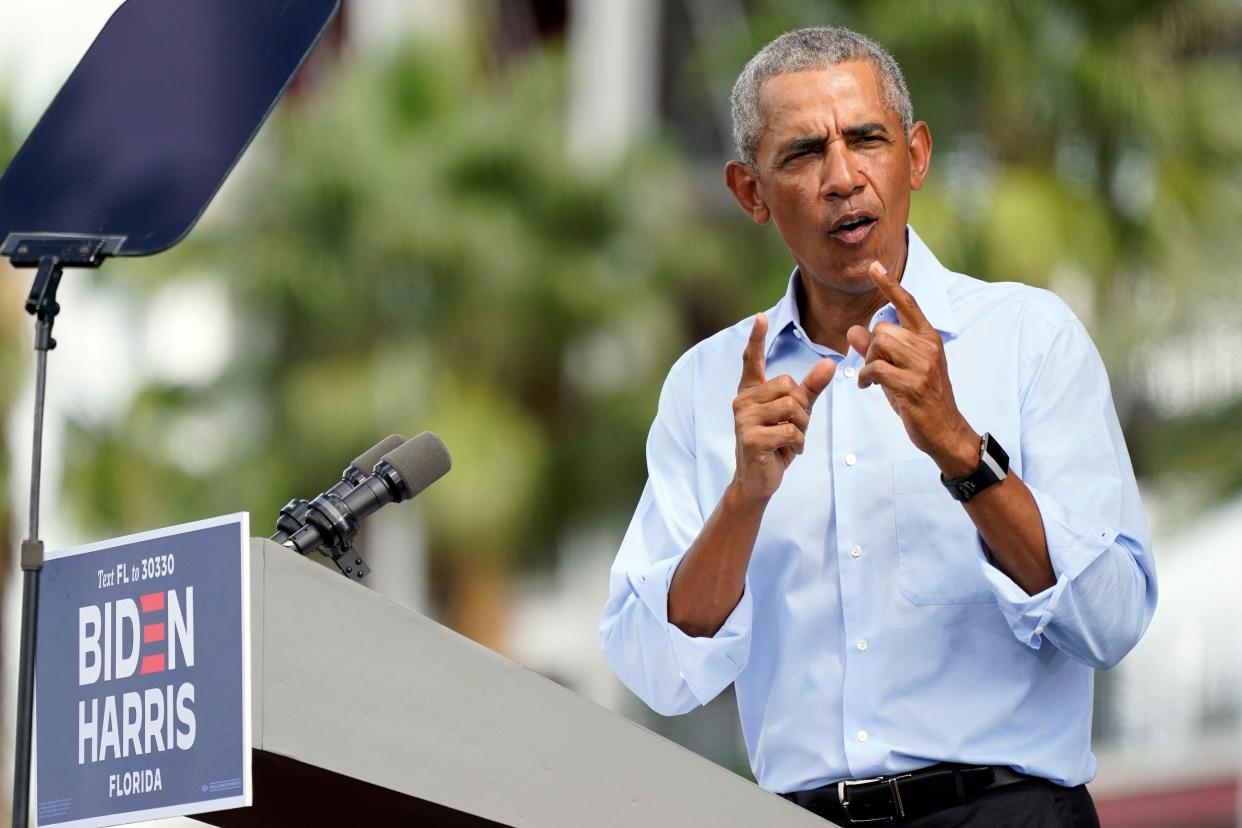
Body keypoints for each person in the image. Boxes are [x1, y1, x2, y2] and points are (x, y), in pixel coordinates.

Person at [599, 26, 1156, 827]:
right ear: (750, 192)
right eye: (800, 154)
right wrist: (744, 500)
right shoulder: (706, 386)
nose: (842, 177)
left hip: (1007, 813)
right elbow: (656, 670)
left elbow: (1111, 622)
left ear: (917, 155)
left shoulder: (1032, 336)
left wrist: (959, 445)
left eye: (867, 139)